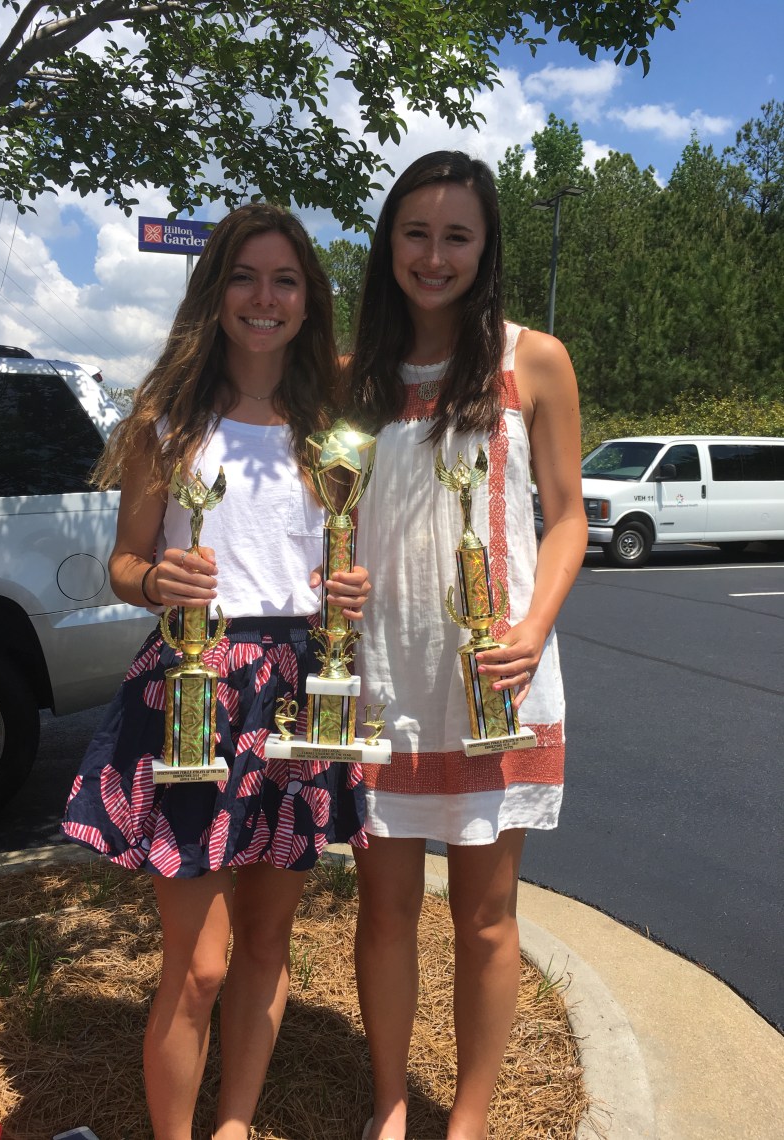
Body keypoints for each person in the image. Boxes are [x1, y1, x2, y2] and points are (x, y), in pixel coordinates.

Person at [62, 204, 370, 1140]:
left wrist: (352, 592)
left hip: (296, 693)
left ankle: (233, 1125)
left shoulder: (330, 432)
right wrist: (158, 578)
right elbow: (123, 562)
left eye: (284, 281)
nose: (264, 298)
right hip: (193, 688)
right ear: (216, 292)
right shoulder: (168, 419)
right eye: (245, 277)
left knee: (268, 943)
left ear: (308, 300)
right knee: (197, 966)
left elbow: (338, 561)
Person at [345, 151, 588, 1140]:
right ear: (388, 242)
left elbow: (569, 517)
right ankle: (394, 1104)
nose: (433, 256)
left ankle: (470, 1120)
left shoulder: (535, 359)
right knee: (384, 910)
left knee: (486, 916)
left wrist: (531, 630)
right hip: (381, 678)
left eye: (456, 236)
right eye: (416, 233)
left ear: (485, 250)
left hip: (499, 681)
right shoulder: (349, 372)